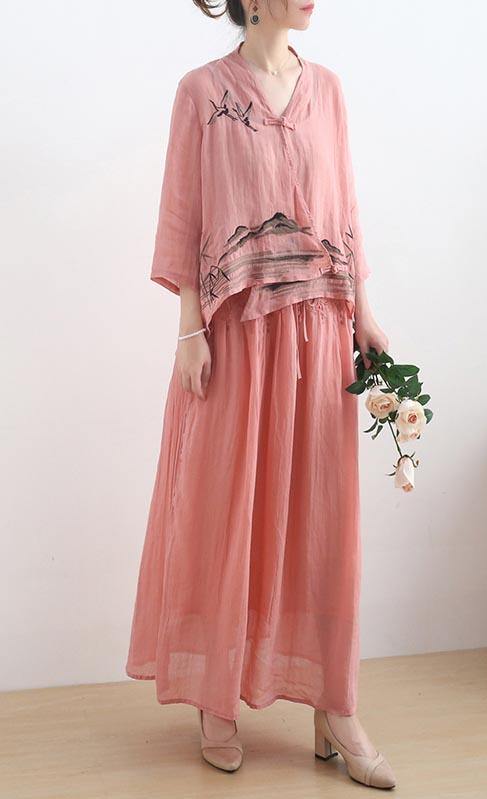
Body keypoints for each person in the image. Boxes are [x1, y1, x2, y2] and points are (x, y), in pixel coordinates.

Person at [125, 0, 395, 789]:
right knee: (226, 509)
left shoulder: (329, 90)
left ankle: (334, 705)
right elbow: (183, 215)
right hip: (236, 334)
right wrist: (189, 328)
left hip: (320, 330)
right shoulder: (201, 93)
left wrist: (365, 313)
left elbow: (346, 210)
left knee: (323, 522)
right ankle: (217, 695)